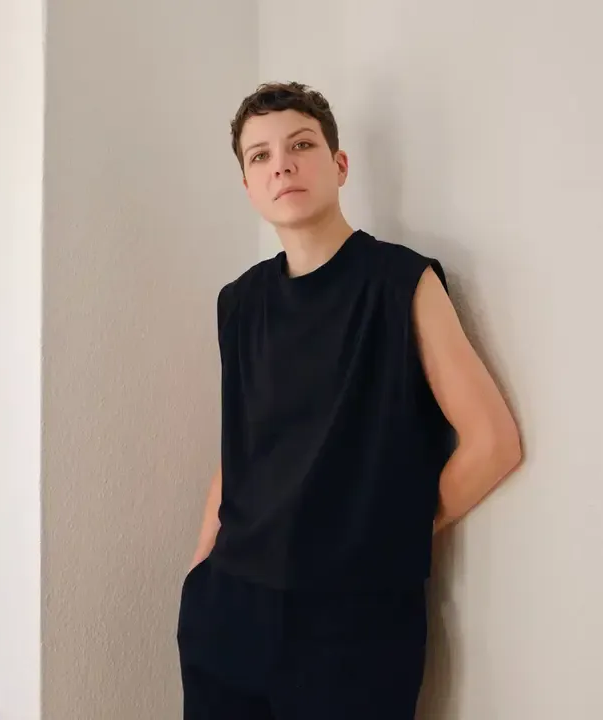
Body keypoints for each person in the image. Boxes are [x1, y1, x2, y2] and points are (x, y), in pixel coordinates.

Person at [176, 82, 523, 719]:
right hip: (229, 611)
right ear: (248, 186)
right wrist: (201, 568)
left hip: (352, 623)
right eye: (260, 156)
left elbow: (493, 443)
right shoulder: (239, 302)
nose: (282, 164)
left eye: (301, 145)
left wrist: (385, 538)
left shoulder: (400, 282)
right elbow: (240, 448)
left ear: (339, 165)